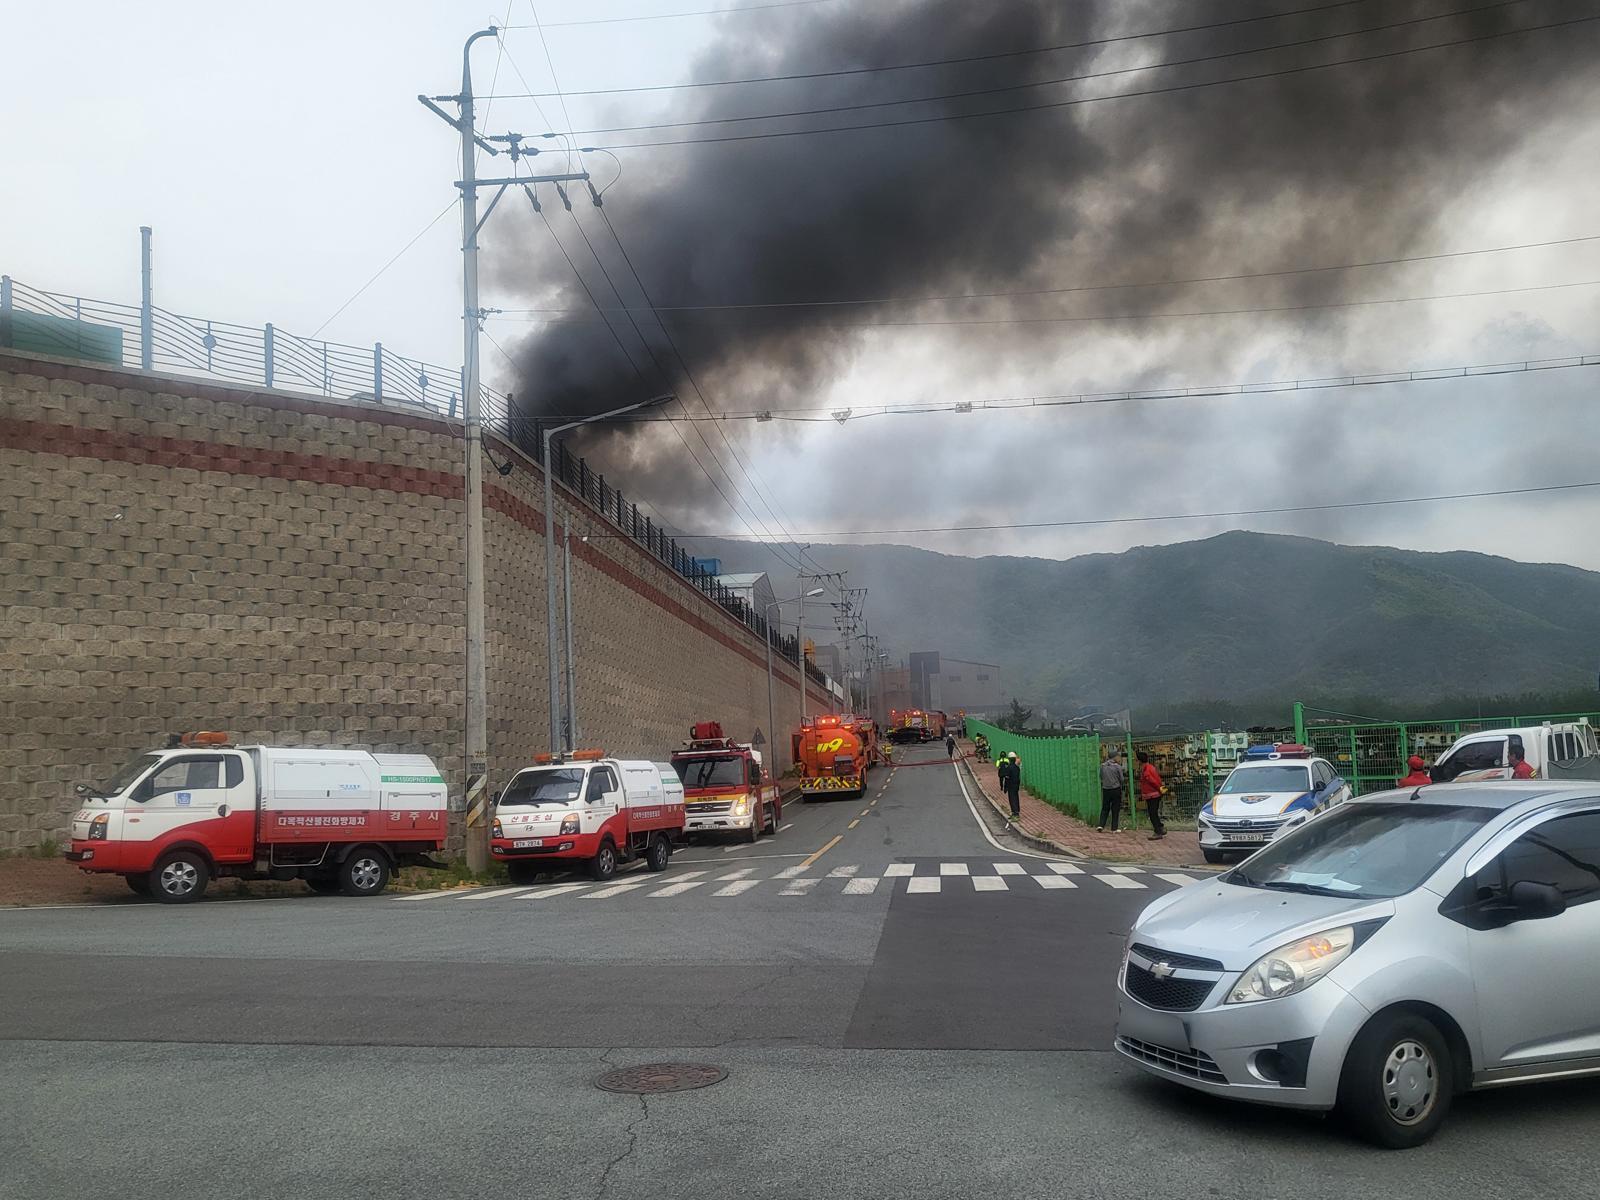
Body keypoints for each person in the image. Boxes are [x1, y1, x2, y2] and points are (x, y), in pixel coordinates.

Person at [1137, 750, 1166, 840]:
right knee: (1154, 813)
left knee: (1152, 813)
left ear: (1140, 761)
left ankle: (1158, 831)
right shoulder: (1150, 767)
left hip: (1153, 794)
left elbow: (1153, 782)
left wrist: (1160, 789)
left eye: (1136, 760)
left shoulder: (1146, 770)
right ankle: (1160, 827)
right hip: (1154, 793)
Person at [1097, 751, 1127, 832]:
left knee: (1105, 808)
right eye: (1118, 756)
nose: (1119, 758)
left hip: (1106, 789)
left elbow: (1101, 776)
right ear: (1115, 757)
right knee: (1115, 808)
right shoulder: (1117, 767)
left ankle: (1101, 825)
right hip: (1115, 789)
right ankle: (1114, 828)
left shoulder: (1103, 766)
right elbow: (1122, 779)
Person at [999, 751, 1022, 821]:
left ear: (1009, 759)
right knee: (1016, 798)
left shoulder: (1009, 768)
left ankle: (1015, 813)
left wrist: (1005, 787)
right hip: (1016, 785)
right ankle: (1016, 812)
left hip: (1010, 786)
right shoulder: (1017, 768)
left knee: (1012, 799)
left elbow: (1007, 778)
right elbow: (1018, 778)